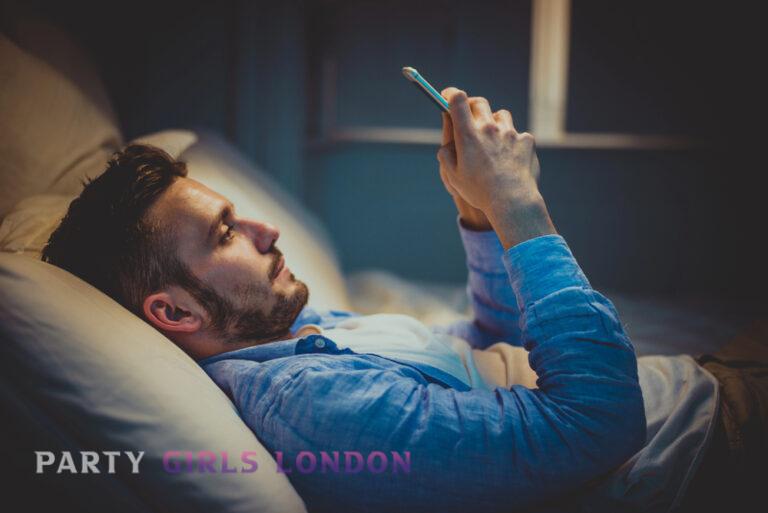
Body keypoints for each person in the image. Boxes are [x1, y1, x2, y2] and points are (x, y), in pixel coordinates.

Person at [42, 87, 765, 512]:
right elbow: (602, 423)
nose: (265, 230)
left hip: (695, 385)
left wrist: (477, 213)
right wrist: (518, 203)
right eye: (226, 231)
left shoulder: (295, 332)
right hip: (713, 447)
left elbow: (484, 345)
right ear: (175, 312)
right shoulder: (317, 407)